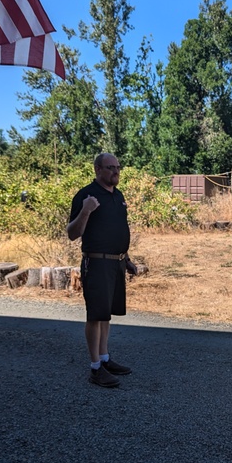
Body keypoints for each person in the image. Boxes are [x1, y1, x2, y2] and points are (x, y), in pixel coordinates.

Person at [67, 153, 138, 388]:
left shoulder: (118, 196)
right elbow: (72, 233)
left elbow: (115, 229)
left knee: (106, 313)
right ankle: (95, 368)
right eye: (110, 168)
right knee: (96, 315)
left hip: (116, 262)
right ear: (98, 169)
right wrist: (86, 210)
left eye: (118, 167)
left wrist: (126, 258)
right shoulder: (86, 195)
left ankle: (105, 359)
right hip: (96, 263)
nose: (116, 172)